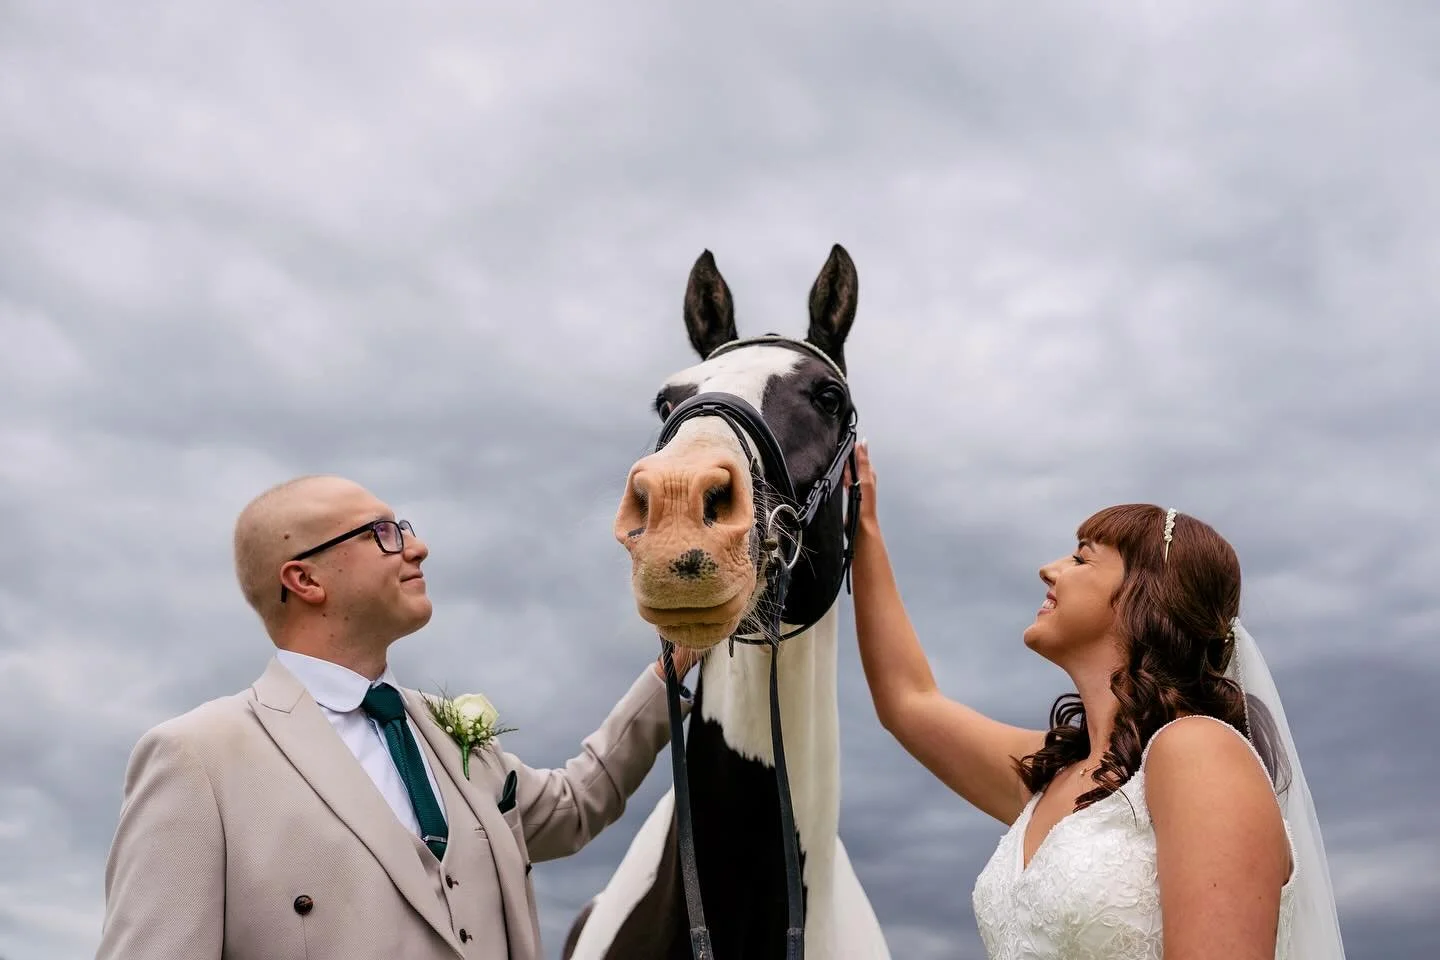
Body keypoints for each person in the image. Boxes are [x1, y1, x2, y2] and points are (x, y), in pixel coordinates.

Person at [95, 474, 699, 960]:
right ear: (304, 579)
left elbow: (574, 808)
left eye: (403, 527)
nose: (416, 546)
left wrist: (674, 665)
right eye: (381, 533)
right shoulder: (197, 757)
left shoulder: (449, 731)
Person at [847, 442, 1345, 959]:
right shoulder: (1054, 776)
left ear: (1144, 596)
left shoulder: (1197, 752)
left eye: (1082, 557)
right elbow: (909, 701)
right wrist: (864, 529)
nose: (1048, 568)